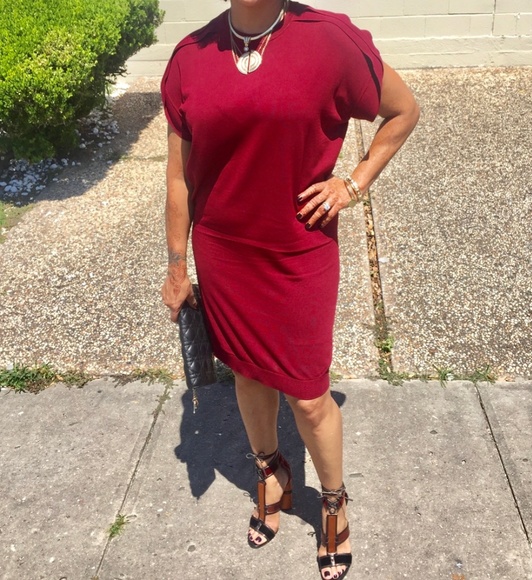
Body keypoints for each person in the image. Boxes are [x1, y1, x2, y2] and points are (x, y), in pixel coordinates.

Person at [160, 1, 419, 578]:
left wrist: (353, 183)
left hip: (298, 251)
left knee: (307, 394)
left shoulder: (329, 41)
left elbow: (404, 111)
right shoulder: (188, 58)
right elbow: (178, 177)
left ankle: (333, 499)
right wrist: (178, 265)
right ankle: (271, 470)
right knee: (248, 371)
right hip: (224, 252)